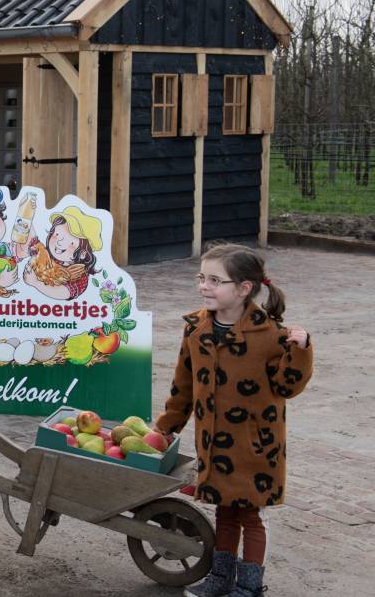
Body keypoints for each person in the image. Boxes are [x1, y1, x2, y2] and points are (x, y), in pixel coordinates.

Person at [152, 244, 312, 597]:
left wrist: (300, 350)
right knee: (224, 512)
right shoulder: (195, 329)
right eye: (201, 278)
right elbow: (183, 388)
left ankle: (250, 586)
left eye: (215, 280)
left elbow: (288, 385)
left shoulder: (270, 335)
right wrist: (164, 429)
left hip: (256, 447)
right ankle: (221, 579)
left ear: (244, 288)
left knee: (251, 517)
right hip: (213, 442)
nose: (204, 286)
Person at [21, 206, 101, 300]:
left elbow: (65, 293)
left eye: (70, 242)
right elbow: (31, 237)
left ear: (83, 253)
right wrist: (26, 215)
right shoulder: (44, 253)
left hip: (58, 310)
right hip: (29, 303)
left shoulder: (79, 275)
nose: (59, 242)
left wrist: (36, 283)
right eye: (57, 234)